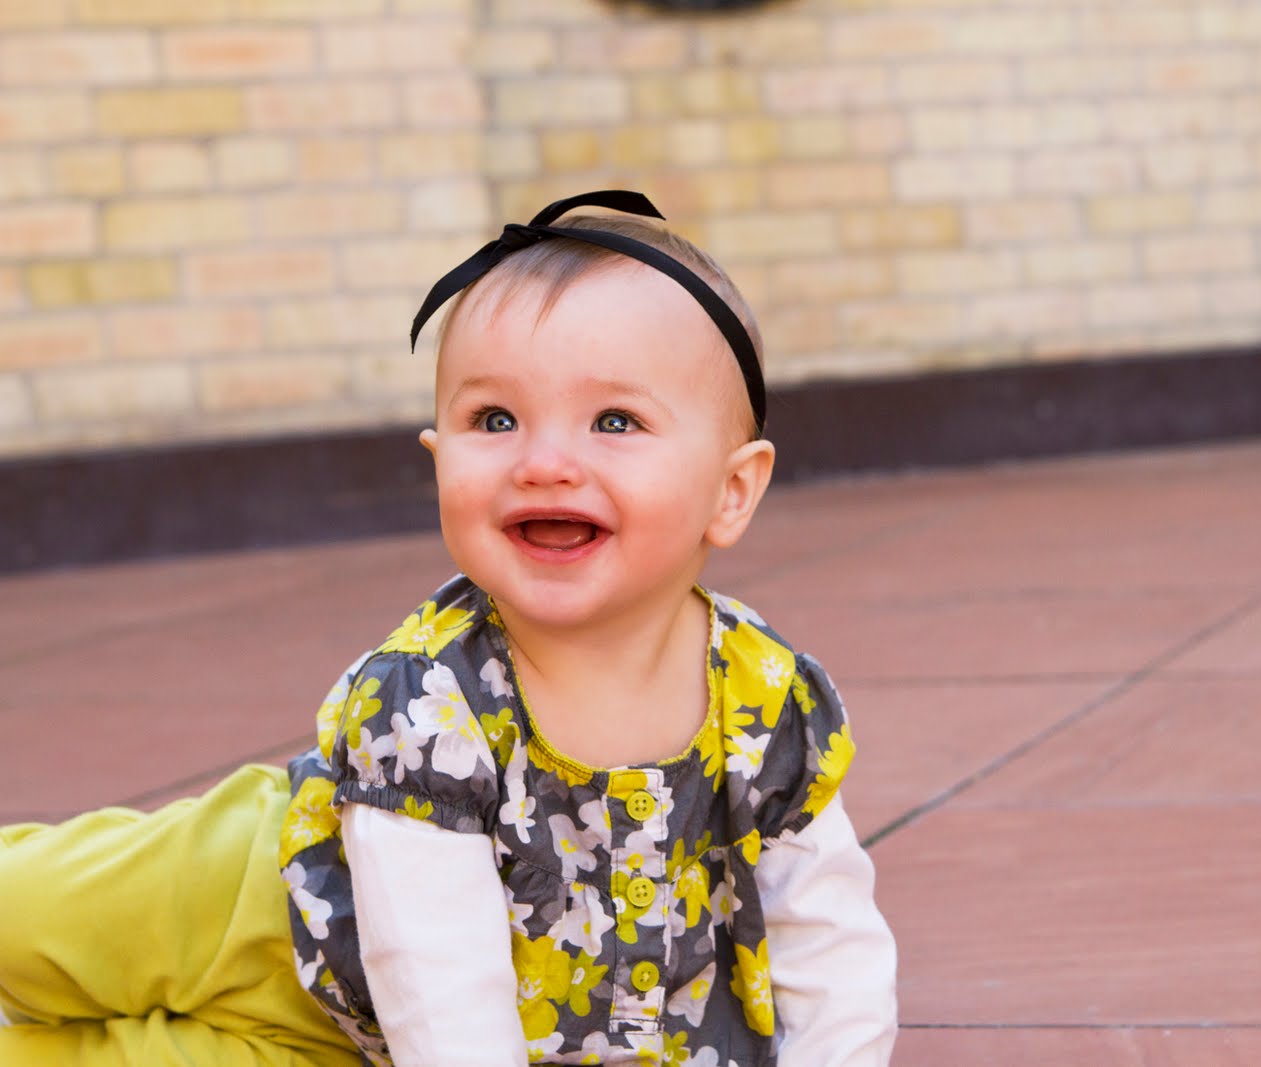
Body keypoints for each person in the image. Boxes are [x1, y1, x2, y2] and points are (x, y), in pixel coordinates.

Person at [0, 191, 898, 1067]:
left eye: (615, 420)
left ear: (732, 490)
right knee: (35, 914)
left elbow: (832, 946)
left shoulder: (766, 701)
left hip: (365, 1039)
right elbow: (437, 979)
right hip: (251, 899)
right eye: (494, 419)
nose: (545, 462)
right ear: (439, 458)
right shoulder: (427, 695)